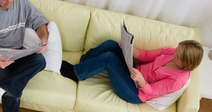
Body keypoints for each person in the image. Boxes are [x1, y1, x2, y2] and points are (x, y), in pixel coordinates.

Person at [60, 39, 203, 104]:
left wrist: (141, 80)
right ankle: (84, 64)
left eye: (177, 56)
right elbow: (146, 56)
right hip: (134, 71)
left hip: (135, 91)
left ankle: (75, 74)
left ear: (186, 63)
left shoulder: (178, 80)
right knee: (111, 44)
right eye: (176, 51)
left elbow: (152, 91)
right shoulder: (172, 52)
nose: (173, 54)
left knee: (109, 58)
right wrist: (129, 48)